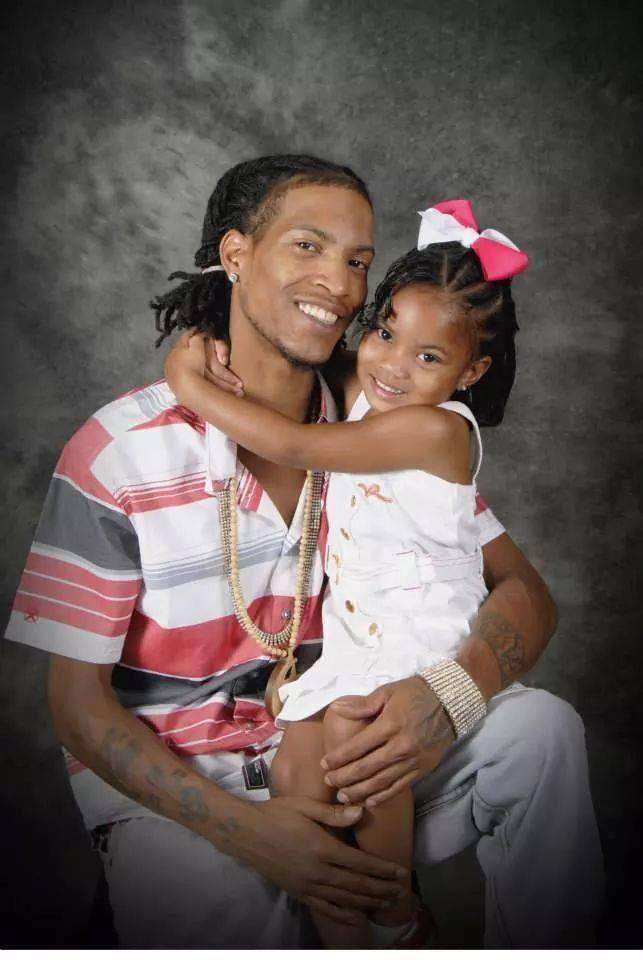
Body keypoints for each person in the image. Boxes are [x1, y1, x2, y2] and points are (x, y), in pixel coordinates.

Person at [5, 155, 603, 949]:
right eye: (307, 246)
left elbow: (524, 596)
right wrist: (251, 834)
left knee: (542, 734)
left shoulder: (375, 424)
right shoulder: (118, 455)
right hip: (190, 791)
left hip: (350, 743)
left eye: (357, 261)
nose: (339, 283)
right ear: (236, 254)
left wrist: (445, 698)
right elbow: (76, 709)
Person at [163, 197, 529, 948]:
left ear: (472, 371)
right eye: (385, 333)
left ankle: (394, 916)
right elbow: (295, 348)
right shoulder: (377, 394)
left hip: (420, 632)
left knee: (365, 762)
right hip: (359, 634)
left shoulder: (435, 429)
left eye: (428, 357)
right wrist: (209, 323)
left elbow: (296, 445)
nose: (392, 364)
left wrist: (190, 385)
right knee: (298, 762)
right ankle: (341, 921)